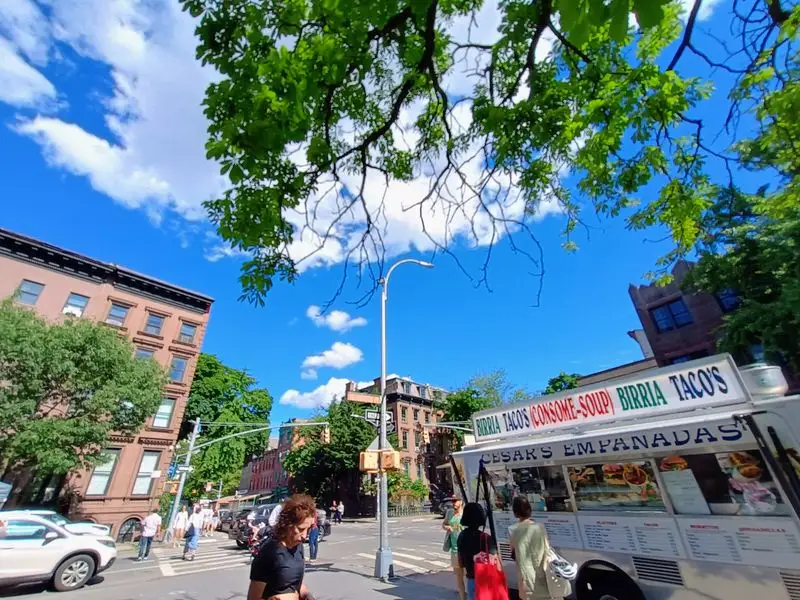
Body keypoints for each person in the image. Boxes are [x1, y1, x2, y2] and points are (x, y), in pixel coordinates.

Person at [248, 494, 317, 600]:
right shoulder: (269, 553)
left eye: (308, 529)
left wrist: (306, 595)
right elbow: (253, 598)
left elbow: (296, 584)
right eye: (301, 529)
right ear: (288, 524)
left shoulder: (298, 547)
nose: (304, 536)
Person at [509, 496, 554, 600]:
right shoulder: (540, 527)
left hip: (527, 578)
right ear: (529, 509)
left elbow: (513, 554)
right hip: (544, 574)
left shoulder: (512, 530)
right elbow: (547, 548)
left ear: (515, 512)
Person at [457, 502, 497, 600]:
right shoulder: (486, 538)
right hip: (486, 581)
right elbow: (495, 561)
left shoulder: (461, 536)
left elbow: (461, 563)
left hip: (471, 579)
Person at [443, 497, 466, 600]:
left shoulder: (465, 514)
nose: (453, 503)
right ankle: (462, 597)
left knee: (468, 575)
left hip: (465, 550)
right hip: (454, 550)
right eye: (452, 501)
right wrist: (447, 527)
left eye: (455, 501)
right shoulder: (450, 513)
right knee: (459, 576)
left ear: (461, 502)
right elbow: (444, 524)